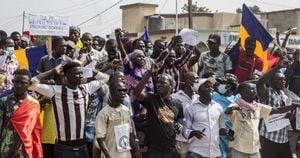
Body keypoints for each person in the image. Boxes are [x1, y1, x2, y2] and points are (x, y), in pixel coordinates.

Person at [30, 62, 109, 158]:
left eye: (81, 73)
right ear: (67, 75)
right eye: (77, 73)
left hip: (82, 147)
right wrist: (53, 71)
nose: (80, 76)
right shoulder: (56, 91)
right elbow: (31, 83)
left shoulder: (86, 88)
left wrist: (87, 69)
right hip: (63, 148)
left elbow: (106, 78)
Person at [225, 82, 299, 158]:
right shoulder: (236, 105)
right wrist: (233, 108)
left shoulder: (257, 107)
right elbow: (227, 111)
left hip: (254, 148)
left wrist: (293, 106)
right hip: (239, 147)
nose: (254, 91)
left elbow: (277, 110)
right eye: (251, 89)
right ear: (242, 91)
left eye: (254, 89)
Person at [133, 63, 183, 158]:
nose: (158, 85)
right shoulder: (151, 99)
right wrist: (149, 74)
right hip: (154, 150)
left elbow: (180, 121)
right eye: (158, 82)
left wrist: (180, 126)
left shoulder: (178, 103)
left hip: (171, 149)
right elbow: (136, 93)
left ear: (171, 86)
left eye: (163, 83)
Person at [0, 69, 42, 158]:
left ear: (29, 84)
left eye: (23, 83)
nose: (19, 85)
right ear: (12, 82)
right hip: (5, 149)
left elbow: (35, 130)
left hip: (25, 150)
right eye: (16, 82)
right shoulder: (3, 102)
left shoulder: (34, 104)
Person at [257, 58, 293, 158]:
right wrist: (278, 67)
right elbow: (260, 83)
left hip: (283, 138)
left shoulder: (285, 96)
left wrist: (289, 116)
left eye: (284, 80)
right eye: (280, 79)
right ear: (271, 81)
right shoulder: (267, 93)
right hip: (269, 138)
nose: (283, 81)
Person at [184, 77, 228, 158]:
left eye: (211, 87)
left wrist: (227, 133)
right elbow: (185, 130)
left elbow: (222, 127)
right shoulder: (191, 108)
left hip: (215, 153)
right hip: (196, 152)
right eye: (206, 86)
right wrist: (192, 133)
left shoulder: (218, 107)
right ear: (198, 91)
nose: (210, 89)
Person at [95, 80, 140, 158]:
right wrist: (108, 156)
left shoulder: (126, 110)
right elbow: (100, 139)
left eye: (124, 90)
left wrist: (136, 150)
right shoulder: (103, 113)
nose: (123, 93)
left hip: (126, 155)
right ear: (112, 92)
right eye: (119, 90)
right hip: (111, 154)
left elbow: (130, 133)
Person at [171, 71, 199, 158]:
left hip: (196, 140)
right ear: (188, 81)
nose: (198, 83)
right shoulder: (175, 97)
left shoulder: (199, 98)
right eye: (196, 80)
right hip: (180, 139)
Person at [212, 73, 240, 158]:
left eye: (222, 83)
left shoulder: (238, 99)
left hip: (232, 135)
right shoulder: (214, 96)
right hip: (217, 134)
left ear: (229, 86)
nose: (219, 85)